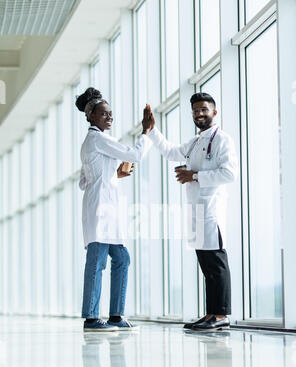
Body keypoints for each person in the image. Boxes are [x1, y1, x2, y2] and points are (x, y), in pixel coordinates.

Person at [147, 93, 238, 332]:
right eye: (195, 110)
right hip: (196, 211)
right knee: (206, 265)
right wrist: (152, 131)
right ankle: (211, 313)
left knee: (216, 263)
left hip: (211, 211)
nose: (199, 114)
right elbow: (170, 152)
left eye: (204, 110)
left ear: (214, 112)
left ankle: (221, 315)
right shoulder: (196, 141)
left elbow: (229, 173)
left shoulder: (222, 140)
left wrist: (194, 175)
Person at [76, 87, 153, 332]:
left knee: (122, 258)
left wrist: (114, 174)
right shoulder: (98, 139)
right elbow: (135, 154)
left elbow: (83, 181)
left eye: (111, 113)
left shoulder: (91, 141)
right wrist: (146, 132)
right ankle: (91, 318)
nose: (110, 117)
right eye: (103, 114)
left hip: (104, 207)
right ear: (90, 116)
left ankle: (116, 316)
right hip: (100, 209)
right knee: (97, 262)